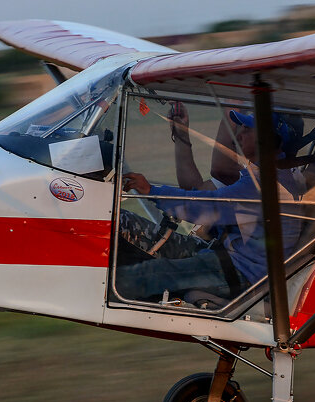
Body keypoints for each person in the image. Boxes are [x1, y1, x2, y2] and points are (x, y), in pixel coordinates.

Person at [116, 110, 303, 303]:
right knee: (128, 230)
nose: (239, 135)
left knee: (145, 275)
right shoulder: (268, 175)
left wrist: (151, 191)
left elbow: (206, 208)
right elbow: (198, 191)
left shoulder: (265, 184)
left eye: (247, 129)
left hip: (243, 274)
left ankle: (101, 294)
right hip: (229, 259)